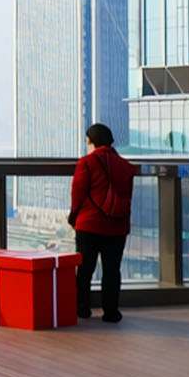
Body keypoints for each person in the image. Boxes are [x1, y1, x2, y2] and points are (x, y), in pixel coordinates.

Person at [67, 122, 137, 323]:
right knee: (112, 270)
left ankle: (82, 309)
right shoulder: (126, 166)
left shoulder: (86, 163)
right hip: (117, 225)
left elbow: (78, 194)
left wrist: (73, 217)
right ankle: (111, 312)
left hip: (89, 224)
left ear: (90, 141)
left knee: (85, 269)